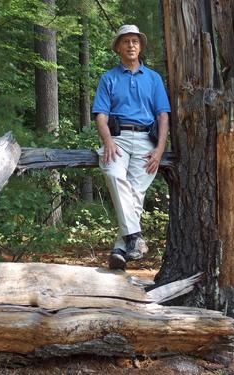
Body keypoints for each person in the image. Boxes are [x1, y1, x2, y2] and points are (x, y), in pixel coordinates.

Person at [92, 25, 171, 270]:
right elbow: (101, 116)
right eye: (125, 41)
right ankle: (135, 238)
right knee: (113, 174)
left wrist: (159, 150)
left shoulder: (153, 78)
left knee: (136, 194)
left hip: (147, 141)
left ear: (141, 46)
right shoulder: (109, 78)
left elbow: (163, 116)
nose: (131, 45)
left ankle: (120, 248)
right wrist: (107, 141)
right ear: (118, 47)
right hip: (118, 139)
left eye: (135, 41)